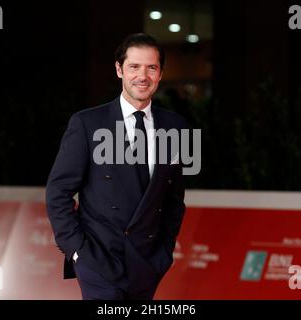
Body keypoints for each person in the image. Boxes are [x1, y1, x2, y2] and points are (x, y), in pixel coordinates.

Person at [46, 33, 187, 300]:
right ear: (119, 69)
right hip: (99, 261)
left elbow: (173, 199)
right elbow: (58, 192)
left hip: (147, 265)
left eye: (151, 67)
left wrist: (163, 253)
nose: (142, 76)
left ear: (160, 73)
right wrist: (77, 250)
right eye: (134, 66)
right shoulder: (87, 123)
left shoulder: (175, 127)